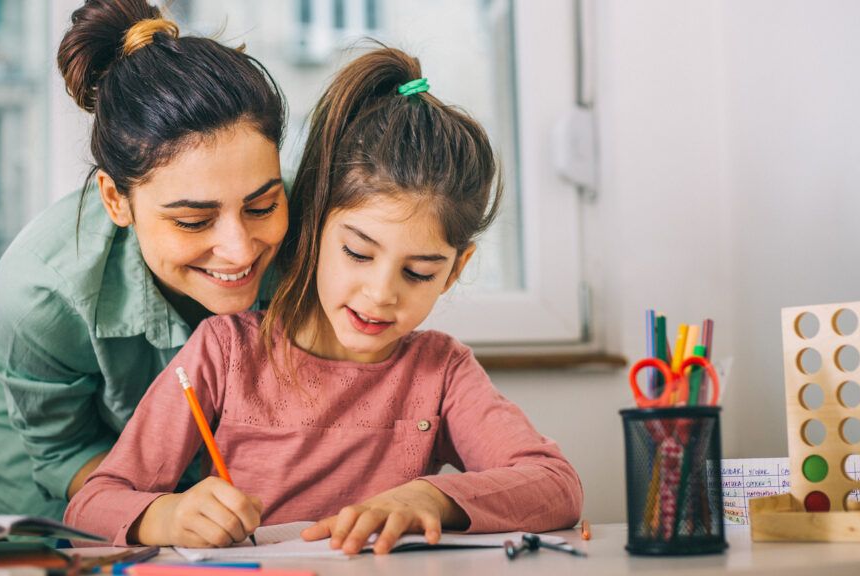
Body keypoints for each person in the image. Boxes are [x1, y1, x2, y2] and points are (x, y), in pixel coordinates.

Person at [65, 47, 583, 554]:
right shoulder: (226, 352)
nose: (381, 294)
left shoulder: (441, 372)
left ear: (455, 271)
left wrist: (430, 497)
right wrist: (167, 515)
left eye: (419, 272)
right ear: (313, 228)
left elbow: (557, 485)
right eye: (358, 253)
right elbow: (92, 503)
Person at [0, 0, 288, 521]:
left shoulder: (322, 237)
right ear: (116, 200)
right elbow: (62, 451)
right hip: (60, 465)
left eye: (262, 205)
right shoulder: (36, 297)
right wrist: (161, 513)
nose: (240, 248)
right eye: (192, 221)